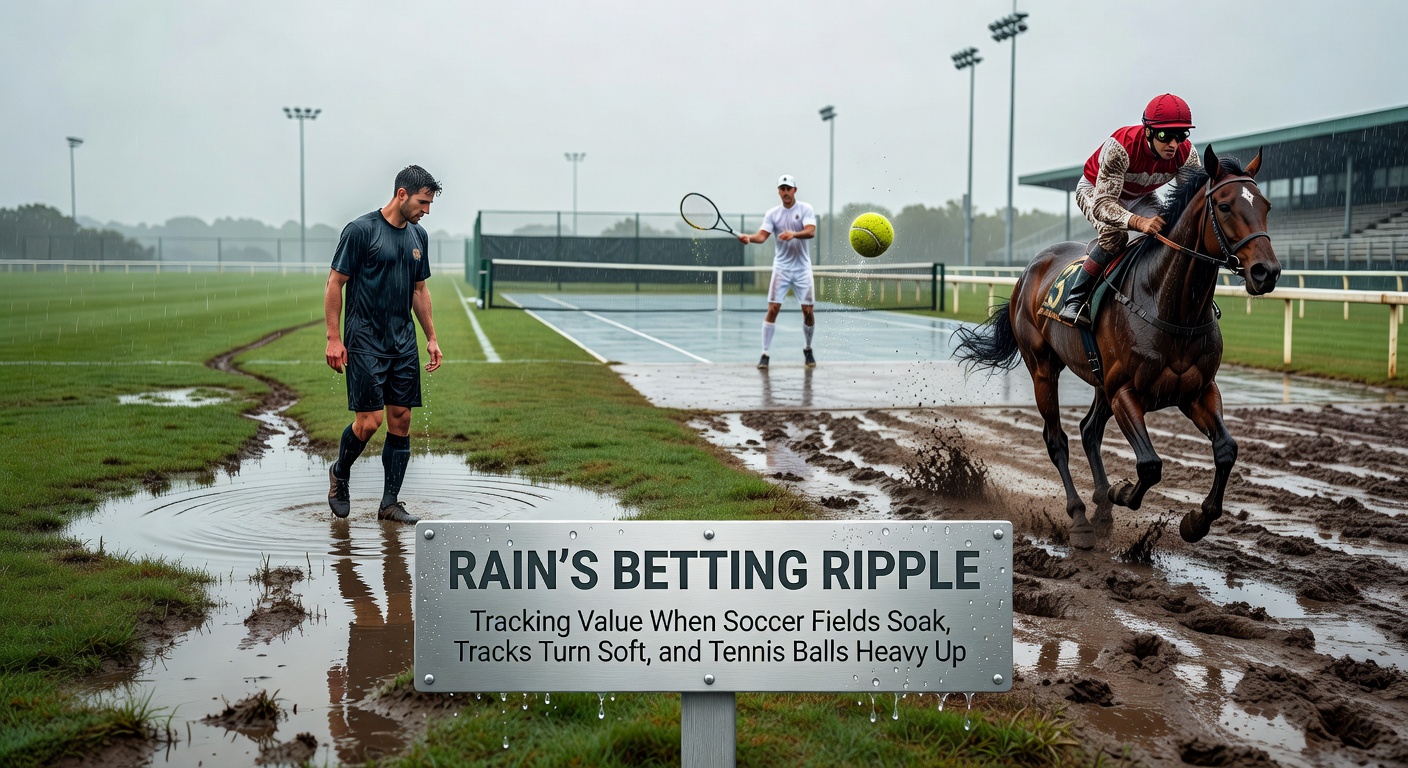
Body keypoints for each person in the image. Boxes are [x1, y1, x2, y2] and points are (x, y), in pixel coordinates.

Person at [324, 165, 443, 523]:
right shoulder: (361, 230)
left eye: (430, 203)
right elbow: (334, 282)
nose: (426, 210)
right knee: (369, 422)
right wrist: (333, 338)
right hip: (364, 340)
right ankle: (339, 472)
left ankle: (389, 503)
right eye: (423, 202)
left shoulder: (418, 238)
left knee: (401, 419)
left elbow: (420, 291)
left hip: (402, 342)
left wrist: (432, 338)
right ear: (401, 194)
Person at [1058, 94, 1203, 327]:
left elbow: (1193, 201)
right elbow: (1103, 206)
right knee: (1115, 236)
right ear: (1147, 131)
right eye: (1166, 136)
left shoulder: (1186, 155)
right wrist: (1138, 222)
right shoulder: (1121, 147)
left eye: (1181, 135)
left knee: (1170, 233)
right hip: (1097, 192)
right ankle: (1076, 299)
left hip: (1140, 195)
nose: (1174, 145)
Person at [738, 174, 818, 369]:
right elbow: (762, 236)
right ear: (779, 192)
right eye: (782, 189)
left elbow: (811, 231)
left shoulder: (805, 209)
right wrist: (749, 237)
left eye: (788, 188)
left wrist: (794, 234)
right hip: (781, 268)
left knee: (808, 311)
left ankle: (808, 349)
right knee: (773, 308)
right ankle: (764, 354)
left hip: (802, 269)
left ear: (794, 190)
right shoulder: (773, 214)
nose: (785, 192)